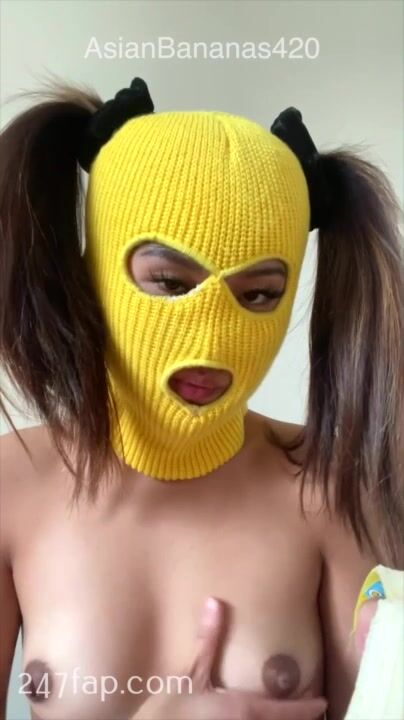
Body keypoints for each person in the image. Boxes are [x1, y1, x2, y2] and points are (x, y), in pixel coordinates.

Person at [0, 76, 403, 720]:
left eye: (259, 293)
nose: (214, 340)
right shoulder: (10, 487)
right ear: (94, 271)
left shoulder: (332, 485)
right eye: (168, 280)